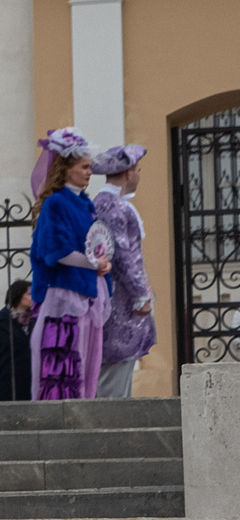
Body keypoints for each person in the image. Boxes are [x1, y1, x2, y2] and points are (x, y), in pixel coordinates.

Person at [27, 127, 113, 402]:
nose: (89, 172)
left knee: (88, 362)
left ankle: (84, 410)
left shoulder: (85, 203)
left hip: (87, 291)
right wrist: (92, 263)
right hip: (65, 296)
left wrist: (100, 264)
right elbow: (56, 251)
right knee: (64, 363)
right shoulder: (56, 203)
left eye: (89, 167)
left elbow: (92, 245)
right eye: (84, 167)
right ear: (65, 169)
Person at [90, 145, 156, 398]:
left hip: (116, 300)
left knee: (118, 372)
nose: (139, 175)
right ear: (128, 172)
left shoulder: (105, 203)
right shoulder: (115, 207)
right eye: (138, 170)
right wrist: (141, 295)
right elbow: (124, 255)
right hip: (119, 304)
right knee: (114, 376)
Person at [0, 280, 35, 402]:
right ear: (18, 295)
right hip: (8, 380)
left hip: (32, 378)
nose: (33, 297)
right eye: (29, 294)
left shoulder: (35, 319)